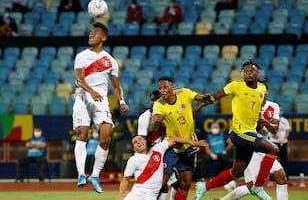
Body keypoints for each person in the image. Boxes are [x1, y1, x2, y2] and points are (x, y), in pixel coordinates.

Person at [194, 60, 279, 200]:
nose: (249, 72)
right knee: (273, 150)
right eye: (246, 70)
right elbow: (214, 96)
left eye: (252, 70)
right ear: (243, 74)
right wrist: (198, 107)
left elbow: (260, 103)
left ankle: (205, 186)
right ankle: (258, 186)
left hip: (250, 133)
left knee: (236, 172)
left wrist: (258, 117)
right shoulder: (235, 86)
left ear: (257, 73)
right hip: (239, 133)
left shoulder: (262, 88)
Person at [72, 22, 129, 193]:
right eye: (90, 33)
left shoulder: (111, 61)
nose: (90, 35)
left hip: (100, 101)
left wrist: (121, 101)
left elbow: (117, 86)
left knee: (106, 137)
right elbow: (80, 80)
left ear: (103, 37)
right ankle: (81, 174)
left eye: (94, 33)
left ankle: (95, 175)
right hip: (83, 97)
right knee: (82, 133)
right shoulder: (81, 56)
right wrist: (92, 91)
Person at [150, 76, 215, 200]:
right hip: (171, 146)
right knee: (161, 183)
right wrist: (155, 120)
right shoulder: (159, 104)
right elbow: (153, 124)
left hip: (188, 147)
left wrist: (207, 98)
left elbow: (202, 98)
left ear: (172, 87)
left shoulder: (184, 93)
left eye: (165, 87)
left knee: (186, 183)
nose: (162, 90)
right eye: (160, 88)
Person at [217, 95, 289, 200]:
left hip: (267, 149)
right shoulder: (246, 105)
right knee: (250, 187)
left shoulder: (273, 106)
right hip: (251, 149)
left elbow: (274, 130)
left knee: (281, 178)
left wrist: (264, 121)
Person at [116, 135, 208, 200]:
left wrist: (194, 143)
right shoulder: (133, 160)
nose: (138, 142)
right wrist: (121, 195)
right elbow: (126, 179)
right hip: (138, 193)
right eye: (135, 142)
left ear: (145, 140)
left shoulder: (158, 148)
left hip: (152, 196)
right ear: (133, 148)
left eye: (140, 139)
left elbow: (174, 139)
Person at [268, 105, 294, 186]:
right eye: (279, 110)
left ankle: (287, 179)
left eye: (281, 110)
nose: (281, 111)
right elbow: (272, 132)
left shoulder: (285, 121)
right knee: (273, 161)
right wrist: (278, 139)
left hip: (284, 142)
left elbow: (287, 130)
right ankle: (272, 180)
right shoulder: (271, 120)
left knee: (284, 161)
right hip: (274, 142)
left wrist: (283, 139)